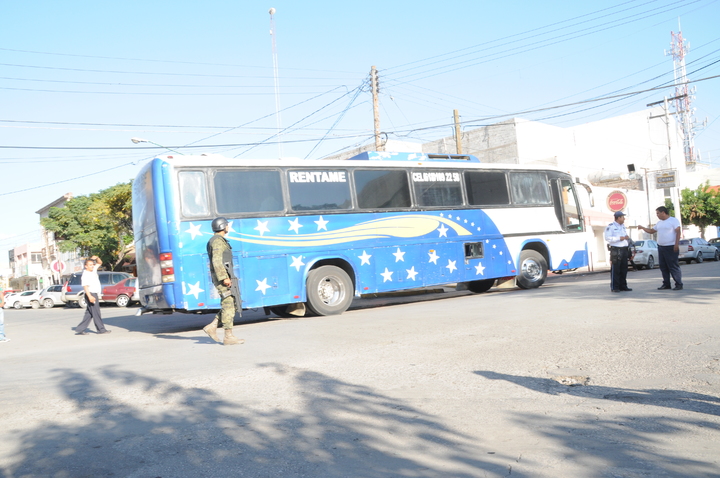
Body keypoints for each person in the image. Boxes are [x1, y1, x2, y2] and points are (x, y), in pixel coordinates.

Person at [203, 217, 243, 345]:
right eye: (227, 225)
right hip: (222, 278)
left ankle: (213, 326)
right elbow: (216, 260)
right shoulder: (217, 241)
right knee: (229, 303)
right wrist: (224, 277)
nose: (228, 227)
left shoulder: (219, 240)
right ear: (223, 226)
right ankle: (228, 336)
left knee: (231, 303)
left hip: (225, 275)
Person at [638, 206, 683, 290]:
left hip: (671, 247)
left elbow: (678, 232)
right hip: (661, 247)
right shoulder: (659, 223)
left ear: (663, 212)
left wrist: (676, 244)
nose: (657, 215)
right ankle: (666, 284)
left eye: (658, 213)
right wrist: (643, 228)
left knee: (673, 266)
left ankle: (678, 283)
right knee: (663, 266)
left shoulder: (673, 220)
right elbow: (652, 231)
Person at [74, 256, 112, 335]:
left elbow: (100, 263)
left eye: (92, 264)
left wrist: (97, 258)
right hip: (91, 293)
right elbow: (85, 286)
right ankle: (101, 329)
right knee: (96, 312)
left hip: (94, 293)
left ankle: (80, 329)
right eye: (90, 265)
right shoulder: (85, 274)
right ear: (86, 266)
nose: (92, 266)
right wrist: (90, 296)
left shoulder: (93, 270)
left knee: (89, 313)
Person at [604, 211, 632, 293]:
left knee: (624, 268)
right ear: (618, 217)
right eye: (623, 217)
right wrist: (619, 238)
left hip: (624, 249)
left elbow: (624, 236)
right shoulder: (611, 227)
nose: (624, 219)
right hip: (616, 249)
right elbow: (608, 238)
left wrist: (626, 238)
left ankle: (623, 285)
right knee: (616, 269)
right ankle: (615, 287)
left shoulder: (623, 226)